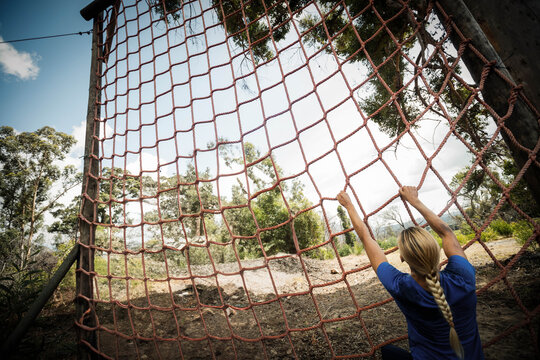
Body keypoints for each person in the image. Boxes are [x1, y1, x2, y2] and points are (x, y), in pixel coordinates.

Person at [337, 186, 484, 360]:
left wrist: (349, 206)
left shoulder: (402, 287)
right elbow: (447, 232)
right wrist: (415, 201)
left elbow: (366, 238)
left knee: (388, 352)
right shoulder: (463, 276)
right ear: (437, 250)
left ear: (402, 258)